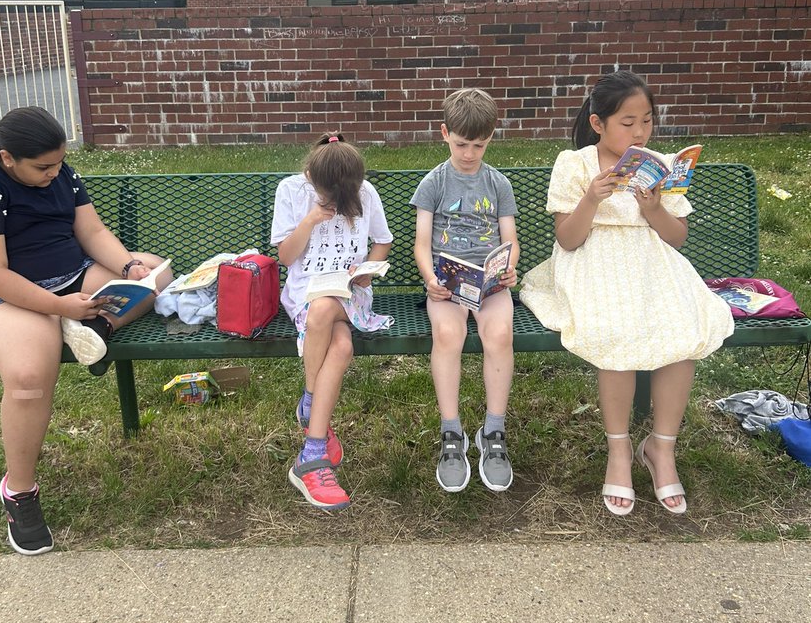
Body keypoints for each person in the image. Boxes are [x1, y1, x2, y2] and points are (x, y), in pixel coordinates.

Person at [0, 107, 172, 555]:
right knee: (30, 375)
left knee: (157, 274)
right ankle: (20, 492)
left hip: (71, 278)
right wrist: (55, 306)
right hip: (1, 296)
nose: (55, 173)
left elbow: (91, 231)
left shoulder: (61, 174)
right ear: (8, 158)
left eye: (58, 163)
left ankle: (96, 327)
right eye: (43, 167)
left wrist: (129, 266)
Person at [519, 70, 734, 516]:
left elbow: (676, 238)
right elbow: (569, 239)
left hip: (652, 263)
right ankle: (619, 452)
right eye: (628, 122)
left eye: (648, 121)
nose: (640, 132)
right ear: (598, 124)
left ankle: (661, 447)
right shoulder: (574, 164)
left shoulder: (659, 165)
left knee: (684, 329)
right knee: (613, 332)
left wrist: (654, 208)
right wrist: (591, 200)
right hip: (592, 262)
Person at [270, 133, 393, 510]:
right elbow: (286, 257)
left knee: (326, 309)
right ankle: (313, 449)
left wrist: (366, 271)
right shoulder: (292, 191)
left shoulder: (365, 193)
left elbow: (382, 241)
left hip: (350, 293)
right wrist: (309, 220)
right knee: (340, 346)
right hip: (305, 293)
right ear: (310, 177)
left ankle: (310, 422)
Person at [412, 88, 519, 493]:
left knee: (499, 334)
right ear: (444, 134)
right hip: (447, 282)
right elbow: (422, 243)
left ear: (491, 137)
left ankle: (493, 434)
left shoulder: (498, 184)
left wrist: (508, 268)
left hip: (489, 283)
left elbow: (510, 238)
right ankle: (451, 434)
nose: (470, 153)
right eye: (461, 144)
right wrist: (431, 279)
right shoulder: (434, 182)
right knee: (448, 334)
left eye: (479, 144)